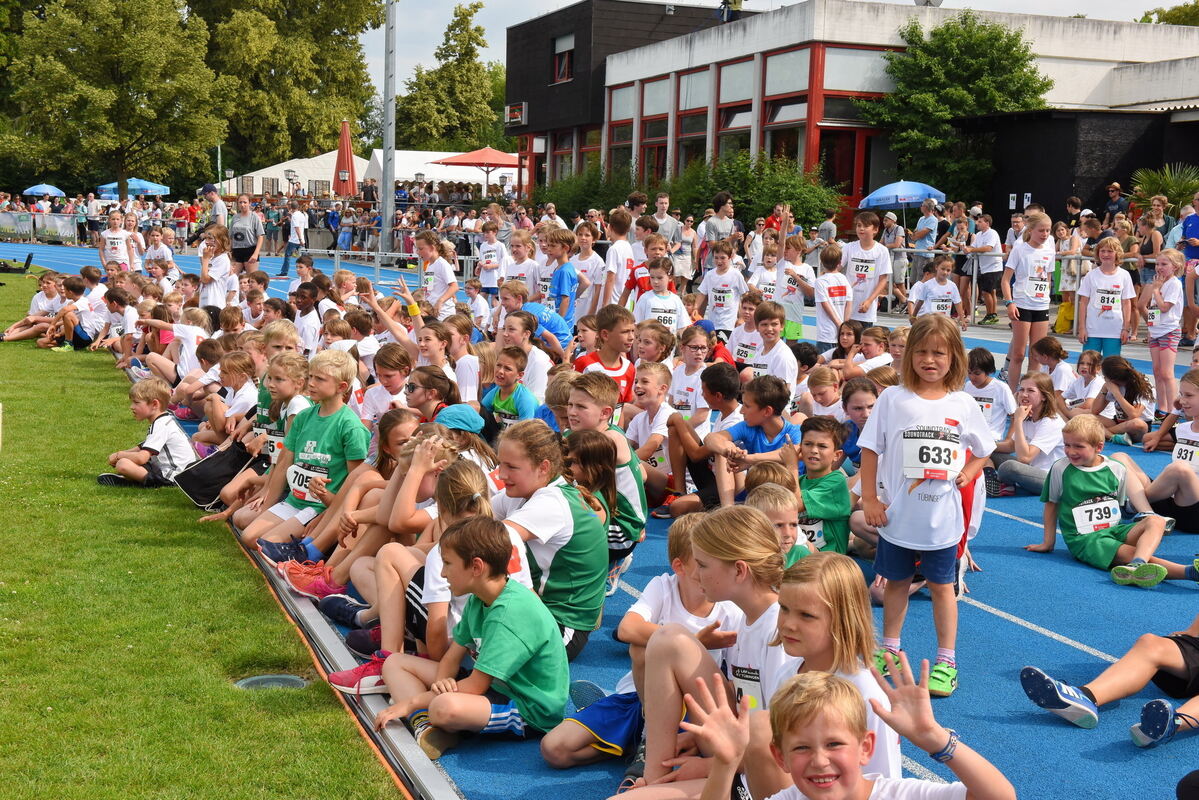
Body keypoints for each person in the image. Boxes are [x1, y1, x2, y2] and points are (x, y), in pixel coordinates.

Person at [859, 314, 994, 697]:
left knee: (941, 588)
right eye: (920, 352)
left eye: (939, 352)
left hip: (941, 521)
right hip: (898, 518)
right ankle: (889, 648)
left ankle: (946, 661)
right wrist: (870, 497)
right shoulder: (892, 398)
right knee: (896, 584)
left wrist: (969, 470)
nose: (929, 360)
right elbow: (871, 449)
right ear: (907, 355)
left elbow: (984, 450)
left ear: (954, 357)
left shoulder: (964, 403)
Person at [368, 517, 568, 759]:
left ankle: (429, 719)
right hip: (494, 686)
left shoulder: (509, 614)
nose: (442, 573)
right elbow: (451, 658)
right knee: (395, 662)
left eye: (448, 563)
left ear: (476, 567)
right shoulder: (478, 598)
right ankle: (426, 724)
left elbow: (475, 685)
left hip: (527, 706)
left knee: (444, 707)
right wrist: (442, 682)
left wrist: (410, 704)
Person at [688, 662, 1016, 800]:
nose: (819, 760)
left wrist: (935, 739)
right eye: (801, 748)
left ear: (865, 747)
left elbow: (999, 796)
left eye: (834, 744)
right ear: (780, 756)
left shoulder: (896, 794)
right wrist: (726, 763)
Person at [1025, 414, 1198, 588]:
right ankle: (1190, 573)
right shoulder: (1060, 469)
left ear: (1099, 447)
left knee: (1156, 520)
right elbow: (1051, 505)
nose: (1071, 451)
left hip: (1114, 530)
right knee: (1129, 552)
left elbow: (1117, 504)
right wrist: (1048, 542)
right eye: (1067, 445)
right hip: (1085, 539)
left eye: (1078, 446)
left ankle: (1138, 564)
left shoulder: (1115, 469)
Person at [97, 378, 197, 488]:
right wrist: (122, 454)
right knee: (127, 461)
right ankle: (134, 478)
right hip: (180, 473)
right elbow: (143, 446)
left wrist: (118, 455)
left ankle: (143, 482)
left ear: (154, 404)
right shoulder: (164, 419)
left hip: (173, 477)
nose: (132, 407)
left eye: (136, 403)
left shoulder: (161, 425)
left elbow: (141, 458)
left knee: (123, 464)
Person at [1001, 211, 1055, 392]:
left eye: (1048, 231)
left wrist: (1045, 297)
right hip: (1022, 305)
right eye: (1041, 230)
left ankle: (1031, 392)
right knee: (1018, 354)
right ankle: (1011, 393)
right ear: (1030, 230)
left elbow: (1047, 278)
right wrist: (1009, 303)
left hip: (1041, 306)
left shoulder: (1049, 250)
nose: (1045, 234)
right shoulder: (1020, 249)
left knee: (1037, 355)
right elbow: (1005, 279)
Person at [1140, 248, 1185, 420]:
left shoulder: (1174, 283)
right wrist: (1151, 327)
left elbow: (1165, 307)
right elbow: (1153, 309)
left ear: (1175, 266)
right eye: (1158, 264)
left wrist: (1157, 290)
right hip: (1156, 330)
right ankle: (1162, 407)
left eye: (1164, 264)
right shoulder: (1158, 282)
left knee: (1167, 373)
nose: (1159, 267)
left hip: (1169, 330)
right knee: (1157, 371)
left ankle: (1173, 410)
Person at [842, 211, 892, 326]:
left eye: (865, 226)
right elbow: (836, 267)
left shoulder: (882, 251)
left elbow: (883, 279)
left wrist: (870, 300)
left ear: (875, 230)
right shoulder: (849, 248)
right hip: (847, 306)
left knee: (864, 342)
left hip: (866, 308)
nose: (861, 229)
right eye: (859, 225)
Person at [229, 194, 265, 272]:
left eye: (245, 202)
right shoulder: (235, 218)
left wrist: (256, 253)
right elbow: (231, 236)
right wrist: (229, 250)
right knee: (232, 278)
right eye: (240, 202)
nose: (242, 205)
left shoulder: (254, 217)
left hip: (250, 251)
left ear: (249, 203)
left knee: (251, 279)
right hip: (236, 251)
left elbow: (260, 236)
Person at [279, 200, 307, 277]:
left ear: (291, 207)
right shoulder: (302, 215)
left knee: (287, 255)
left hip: (295, 239)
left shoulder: (294, 215)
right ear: (298, 207)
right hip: (301, 238)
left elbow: (296, 227)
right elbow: (300, 226)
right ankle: (308, 271)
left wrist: (300, 239)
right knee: (304, 257)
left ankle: (284, 272)